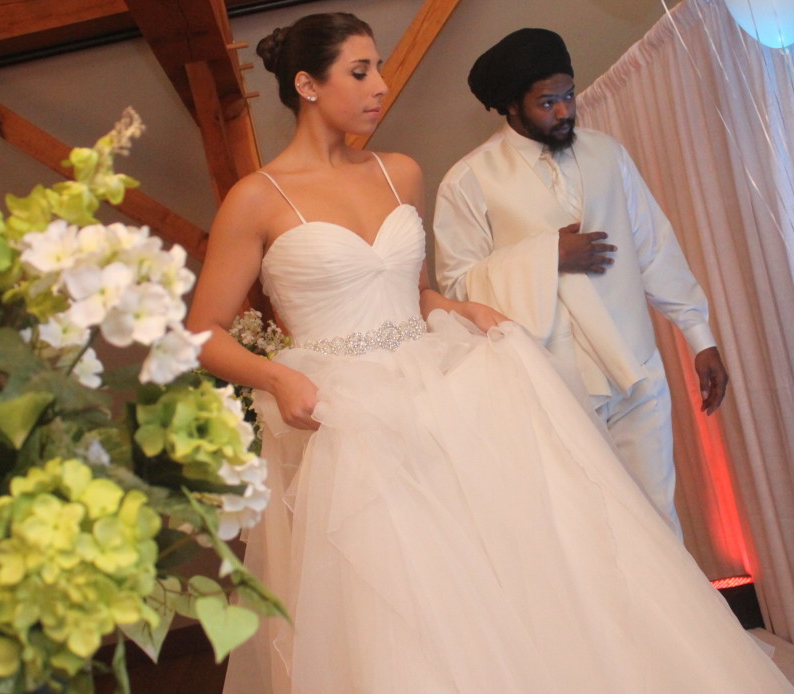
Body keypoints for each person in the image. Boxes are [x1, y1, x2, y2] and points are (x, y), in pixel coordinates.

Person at [186, 12, 792, 694]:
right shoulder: (256, 198)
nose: (380, 84)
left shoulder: (398, 173)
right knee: (397, 594)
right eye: (360, 71)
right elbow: (204, 332)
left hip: (436, 392)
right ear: (307, 84)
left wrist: (466, 309)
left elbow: (414, 294)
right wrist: (277, 378)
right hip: (345, 413)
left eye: (378, 67)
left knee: (518, 574)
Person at [432, 28, 728, 537]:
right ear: (511, 105)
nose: (565, 111)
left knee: (658, 519)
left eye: (569, 95)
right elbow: (456, 290)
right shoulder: (468, 179)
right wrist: (547, 255)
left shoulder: (608, 154)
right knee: (590, 531)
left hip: (636, 366)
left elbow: (654, 247)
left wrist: (699, 337)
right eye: (547, 102)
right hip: (555, 382)